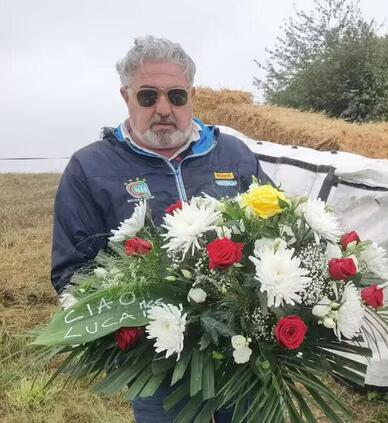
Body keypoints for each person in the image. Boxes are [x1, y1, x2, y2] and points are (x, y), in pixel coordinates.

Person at [50, 35, 267, 423]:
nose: (164, 109)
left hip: (246, 358)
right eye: (148, 97)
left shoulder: (234, 154)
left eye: (177, 96)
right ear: (126, 96)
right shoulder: (90, 167)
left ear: (192, 96)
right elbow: (72, 271)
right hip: (162, 368)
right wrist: (127, 333)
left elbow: (275, 233)